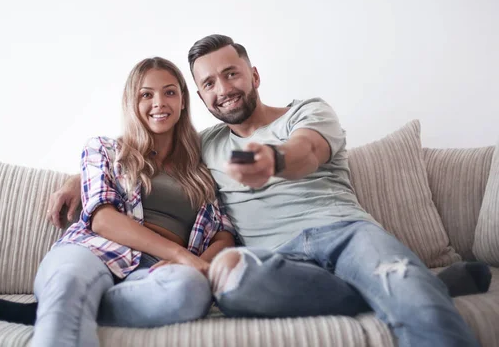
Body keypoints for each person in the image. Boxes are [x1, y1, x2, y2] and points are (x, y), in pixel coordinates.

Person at [49, 36, 490, 347]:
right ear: (199, 99)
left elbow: (307, 151)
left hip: (344, 232)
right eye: (209, 84)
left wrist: (273, 160)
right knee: (229, 280)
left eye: (231, 74)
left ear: (253, 74)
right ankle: (422, 285)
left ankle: (402, 285)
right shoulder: (205, 146)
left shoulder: (305, 113)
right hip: (273, 258)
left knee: (395, 275)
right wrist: (79, 178)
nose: (223, 89)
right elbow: (146, 152)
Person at [0, 57, 236, 347]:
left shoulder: (202, 168)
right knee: (69, 281)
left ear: (183, 101)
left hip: (155, 272)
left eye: (169, 92)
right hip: (94, 251)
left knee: (191, 292)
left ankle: (55, 307)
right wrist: (181, 255)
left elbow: (224, 234)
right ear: (132, 102)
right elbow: (103, 219)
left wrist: (194, 265)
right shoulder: (104, 149)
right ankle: (64, 301)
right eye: (146, 94)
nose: (159, 102)